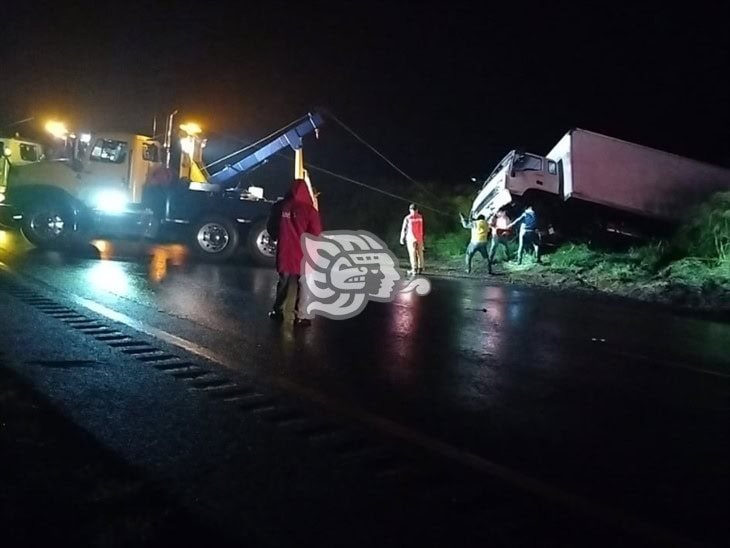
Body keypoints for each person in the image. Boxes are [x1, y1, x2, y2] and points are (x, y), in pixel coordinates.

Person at [267, 178, 322, 326]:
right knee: (304, 283)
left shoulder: (280, 206)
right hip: (304, 253)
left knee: (283, 281)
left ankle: (278, 311)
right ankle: (302, 316)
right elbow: (315, 233)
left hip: (285, 251)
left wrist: (275, 237)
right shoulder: (310, 210)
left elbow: (271, 226)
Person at [400, 203, 424, 275]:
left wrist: (402, 238)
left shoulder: (408, 218)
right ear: (417, 210)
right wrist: (422, 238)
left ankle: (414, 269)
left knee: (412, 253)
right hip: (419, 238)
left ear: (410, 210)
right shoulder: (420, 217)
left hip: (410, 238)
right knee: (420, 253)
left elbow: (404, 229)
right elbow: (421, 229)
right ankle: (420, 268)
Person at [487, 209, 512, 274]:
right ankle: (490, 260)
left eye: (503, 212)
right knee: (493, 248)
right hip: (496, 236)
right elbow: (490, 224)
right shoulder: (495, 218)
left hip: (503, 236)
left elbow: (509, 227)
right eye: (500, 212)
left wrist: (506, 232)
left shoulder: (507, 219)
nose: (503, 213)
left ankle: (508, 258)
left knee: (506, 247)